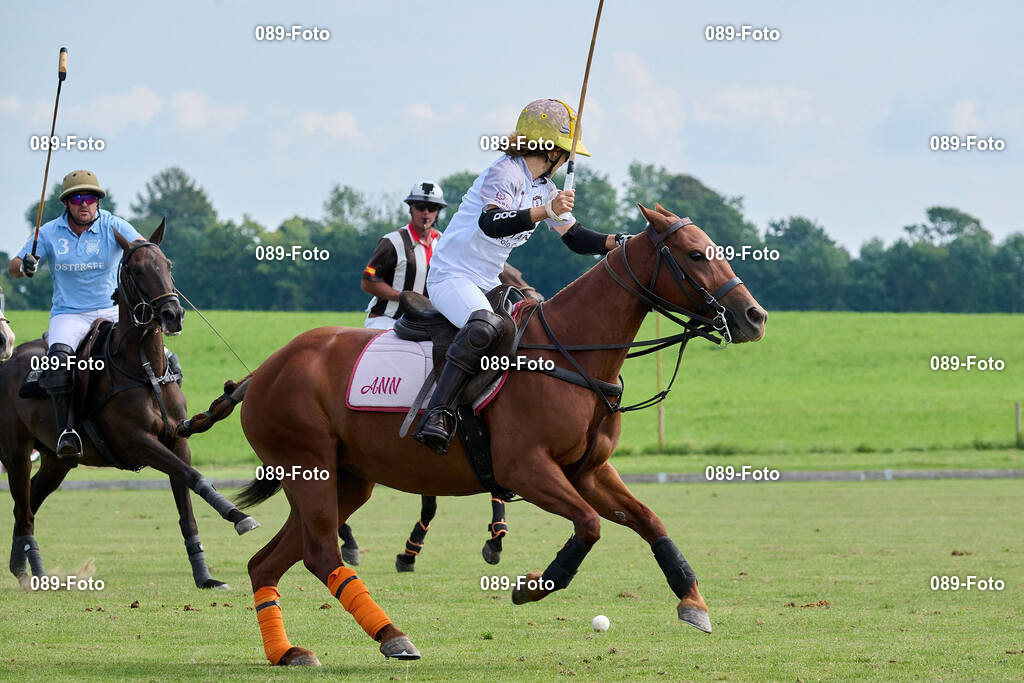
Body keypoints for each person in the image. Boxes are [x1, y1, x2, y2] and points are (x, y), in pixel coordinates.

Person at [414, 99, 628, 454]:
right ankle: (437, 414)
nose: (565, 163)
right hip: (451, 276)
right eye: (565, 154)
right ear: (552, 151)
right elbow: (491, 222)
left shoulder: (543, 187)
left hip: (488, 282)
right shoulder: (506, 173)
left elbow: (574, 237)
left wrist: (620, 243)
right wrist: (546, 210)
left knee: (533, 332)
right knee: (482, 326)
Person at [8, 169, 145, 461]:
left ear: (98, 201)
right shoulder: (47, 233)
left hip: (110, 310)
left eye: (91, 197)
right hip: (69, 314)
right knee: (58, 362)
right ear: (67, 203)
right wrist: (26, 266)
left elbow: (143, 248)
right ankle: (67, 431)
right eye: (77, 198)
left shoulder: (113, 225)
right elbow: (14, 267)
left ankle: (168, 418)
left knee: (161, 355)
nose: (85, 203)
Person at [361, 182, 446, 330]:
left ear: (437, 212)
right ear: (411, 208)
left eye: (431, 208)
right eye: (420, 207)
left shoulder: (443, 243)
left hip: (425, 322)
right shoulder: (391, 242)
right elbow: (368, 280)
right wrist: (402, 297)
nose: (426, 212)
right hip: (386, 318)